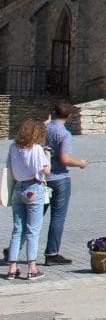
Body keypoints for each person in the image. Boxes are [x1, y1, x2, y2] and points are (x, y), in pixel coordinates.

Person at [43, 103, 88, 266]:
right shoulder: (64, 134)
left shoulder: (43, 129)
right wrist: (80, 163)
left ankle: (14, 248)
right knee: (57, 217)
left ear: (53, 113)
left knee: (34, 216)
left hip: (42, 179)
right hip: (59, 179)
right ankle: (52, 253)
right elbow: (64, 159)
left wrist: (47, 122)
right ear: (68, 116)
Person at [8, 120, 50, 280]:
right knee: (33, 229)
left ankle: (12, 267)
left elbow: (10, 168)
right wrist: (48, 156)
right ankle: (32, 267)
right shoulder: (37, 149)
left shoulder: (13, 147)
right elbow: (45, 170)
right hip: (33, 187)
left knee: (18, 229)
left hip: (18, 188)